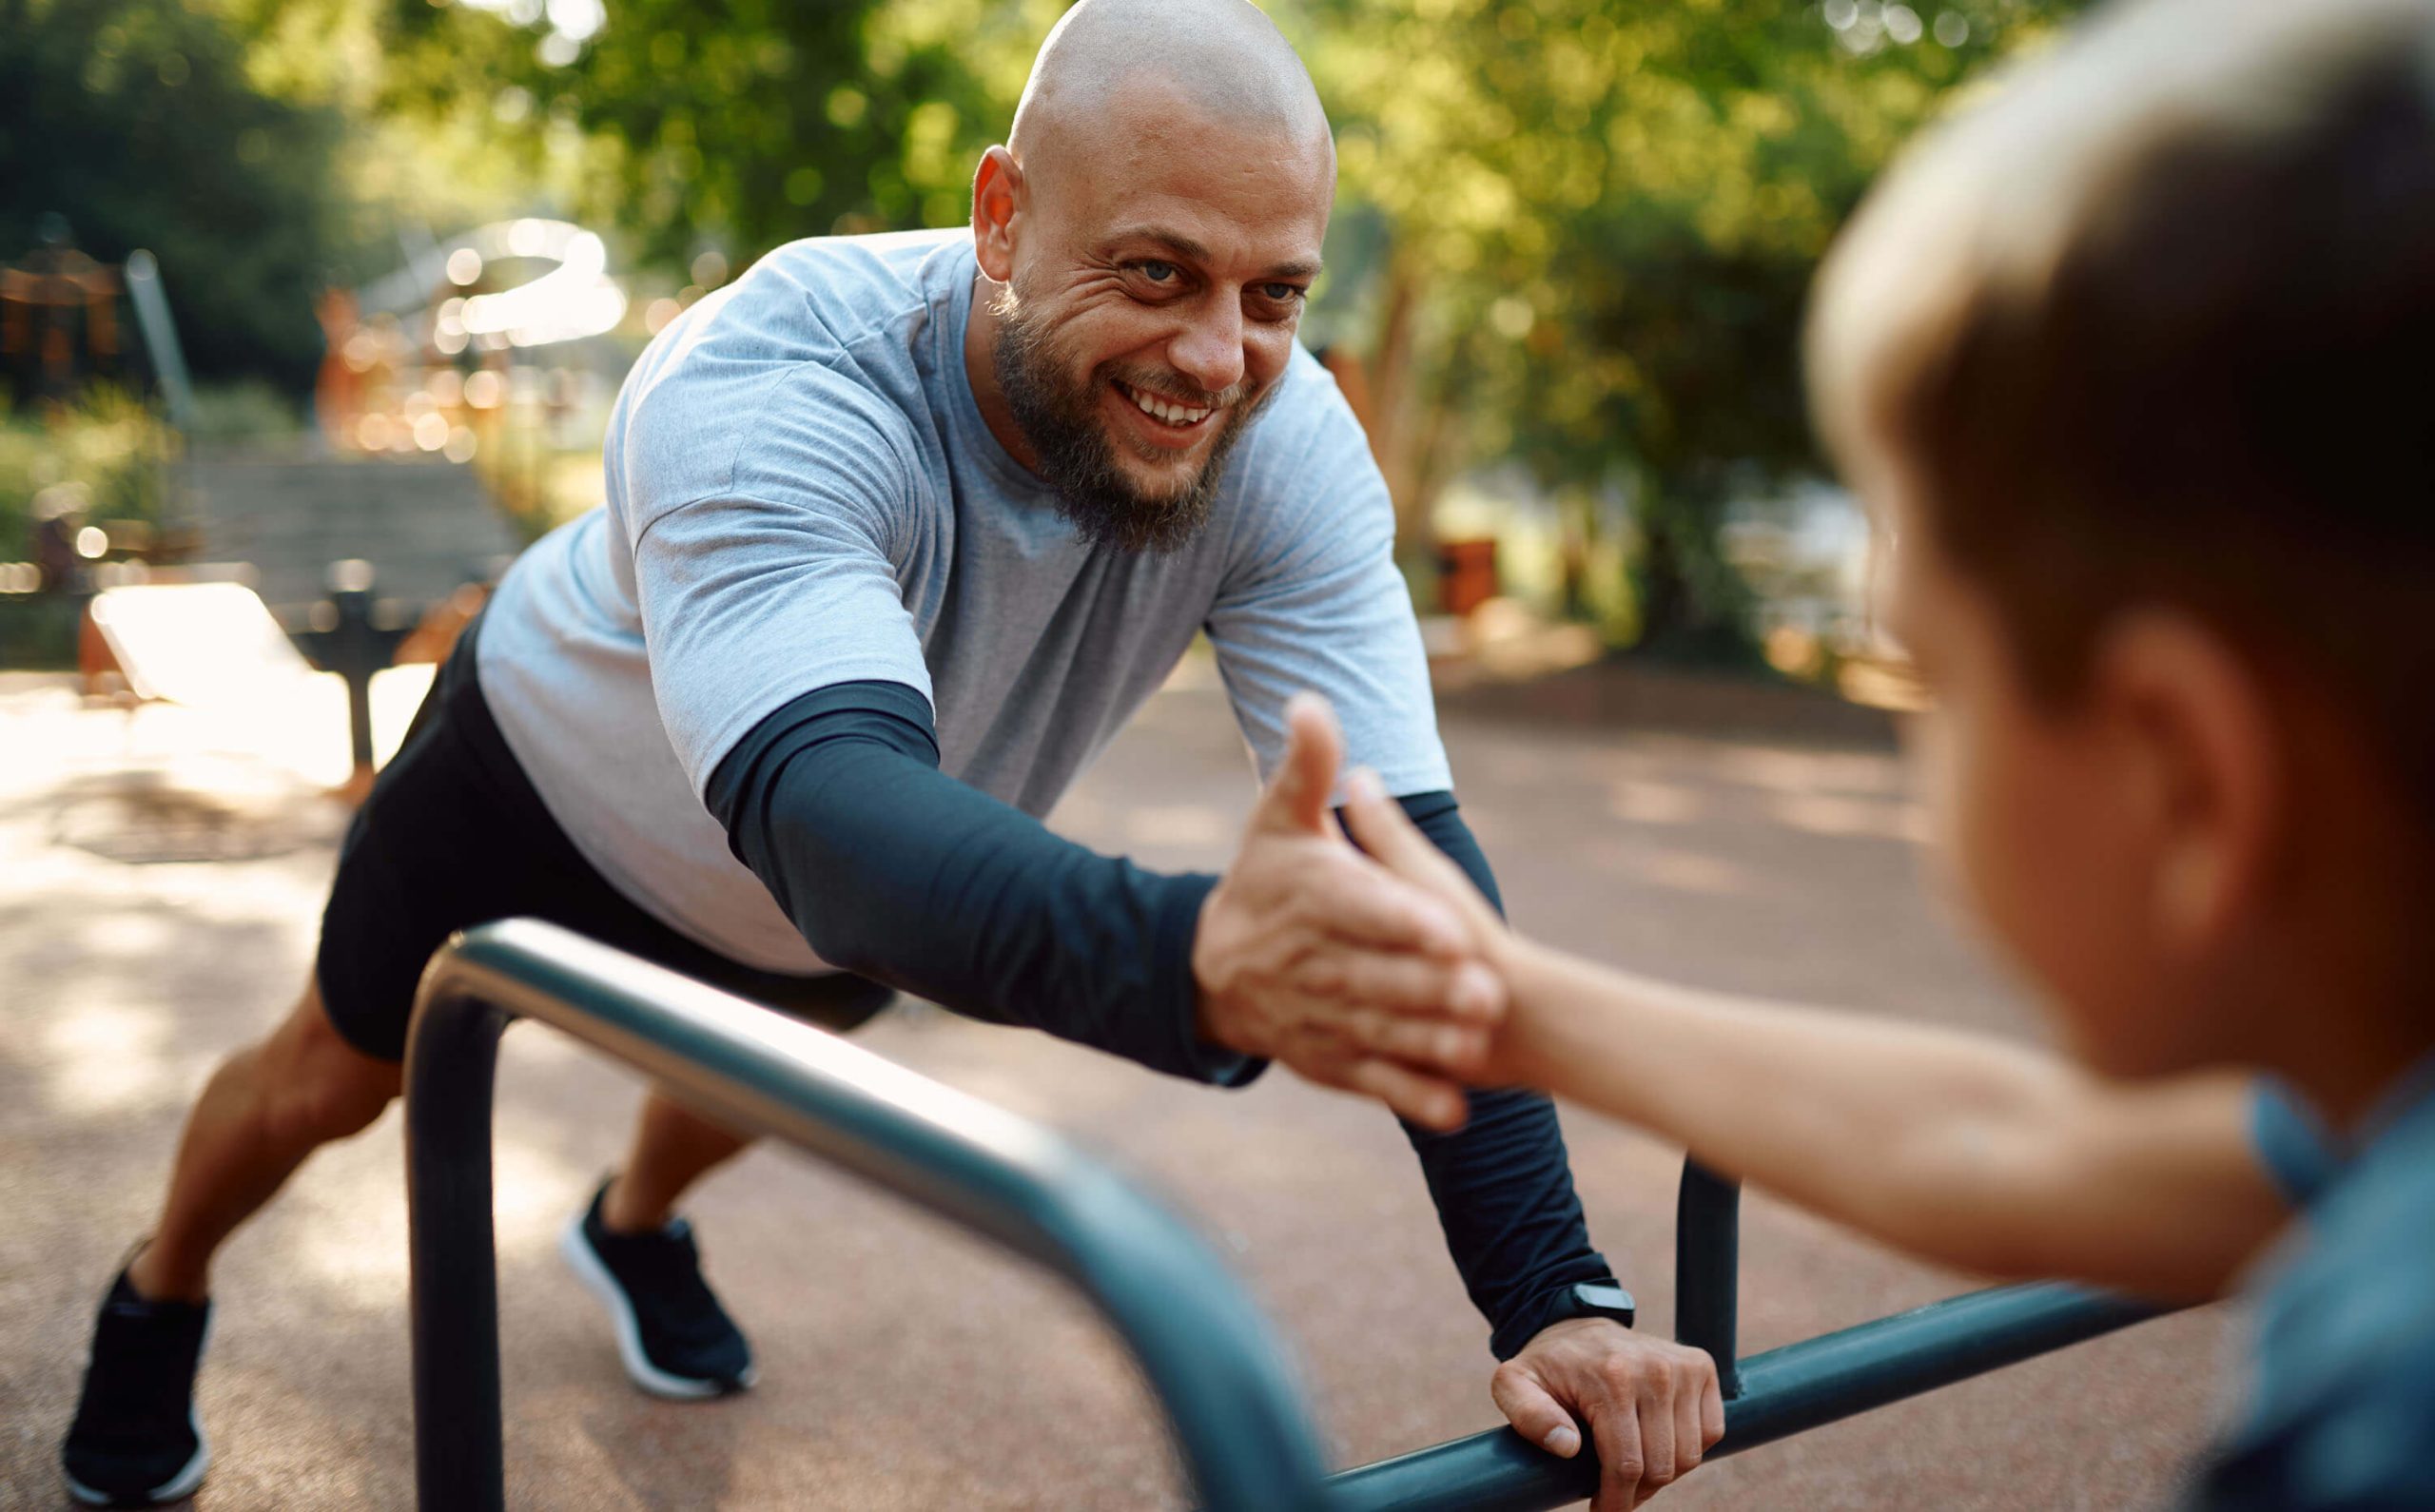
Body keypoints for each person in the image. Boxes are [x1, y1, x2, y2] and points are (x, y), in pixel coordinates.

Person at [57, 2, 1723, 1506]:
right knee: (333, 1077)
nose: (1218, 355)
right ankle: (161, 1286)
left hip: (872, 870)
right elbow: (829, 817)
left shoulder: (1278, 439)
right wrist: (1189, 958)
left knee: (749, 1072)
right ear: (1003, 217)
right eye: (1156, 271)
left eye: (1273, 292)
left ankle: (631, 1226)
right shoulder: (777, 374)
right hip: (557, 777)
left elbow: (1408, 860)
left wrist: (1556, 1294)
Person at [1334, 0, 2435, 1502]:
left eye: (1937, 681)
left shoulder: (2378, 1416)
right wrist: (1512, 1007)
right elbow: (2006, 1144)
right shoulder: (2379, 1106)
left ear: (2188, 780)